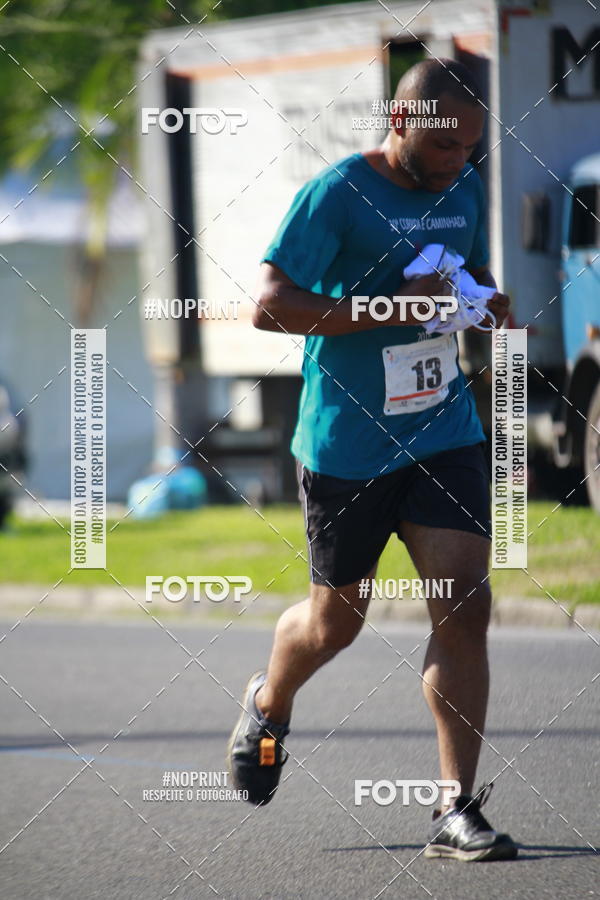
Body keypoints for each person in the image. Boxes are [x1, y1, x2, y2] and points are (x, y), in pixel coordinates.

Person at [227, 58, 517, 862]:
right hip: (348, 446)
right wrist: (391, 307)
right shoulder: (338, 193)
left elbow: (470, 271)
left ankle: (455, 810)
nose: (458, 161)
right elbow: (269, 306)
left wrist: (485, 302)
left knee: (463, 602)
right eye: (443, 145)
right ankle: (270, 698)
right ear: (399, 122)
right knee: (335, 624)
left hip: (443, 430)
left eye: (470, 147)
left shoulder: (461, 184)